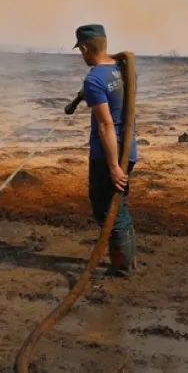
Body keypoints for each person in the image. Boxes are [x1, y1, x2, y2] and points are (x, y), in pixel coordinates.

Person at [73, 23, 139, 277]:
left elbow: (105, 125)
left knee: (106, 208)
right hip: (129, 150)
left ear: (86, 47)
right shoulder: (124, 69)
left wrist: (112, 166)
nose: (81, 55)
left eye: (81, 49)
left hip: (108, 154)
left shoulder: (94, 79)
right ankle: (129, 262)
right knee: (118, 205)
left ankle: (122, 268)